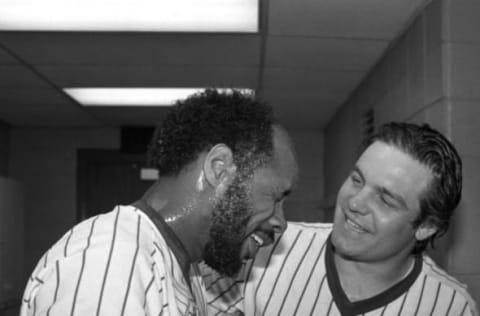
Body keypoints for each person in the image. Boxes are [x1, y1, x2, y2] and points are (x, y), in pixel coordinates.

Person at [20, 89, 298, 316]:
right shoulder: (112, 261)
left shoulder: (182, 267)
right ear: (219, 168)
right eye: (275, 196)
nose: (280, 222)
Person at [202, 122, 478, 316]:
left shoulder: (450, 307)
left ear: (426, 226)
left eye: (385, 199)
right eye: (357, 180)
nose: (355, 202)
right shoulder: (264, 246)